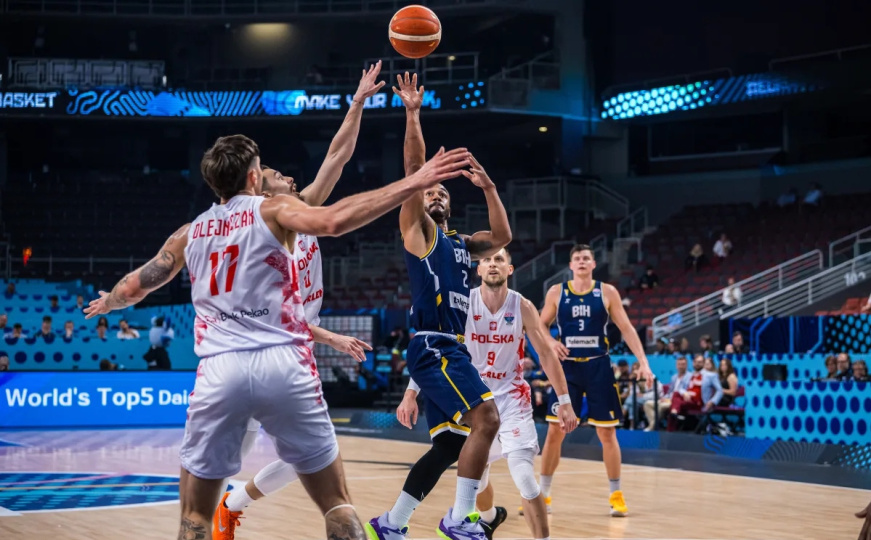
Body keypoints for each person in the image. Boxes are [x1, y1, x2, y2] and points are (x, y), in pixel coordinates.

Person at [83, 126, 472, 538]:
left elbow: (133, 288)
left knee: (194, 518)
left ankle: (225, 511)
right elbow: (336, 220)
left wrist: (109, 302)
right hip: (284, 363)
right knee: (338, 507)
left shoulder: (188, 232)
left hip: (220, 369)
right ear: (253, 177)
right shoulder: (272, 210)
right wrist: (414, 181)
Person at [213, 61, 383, 539]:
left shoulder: (301, 209)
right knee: (238, 450)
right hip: (256, 347)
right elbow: (270, 313)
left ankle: (231, 504)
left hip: (291, 349)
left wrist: (357, 102)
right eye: (274, 174)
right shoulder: (256, 230)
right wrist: (328, 334)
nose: (287, 176)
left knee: (309, 454)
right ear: (257, 191)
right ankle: (218, 506)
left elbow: (337, 157)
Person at [365, 72, 511, 540]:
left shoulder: (463, 243)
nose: (437, 194)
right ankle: (459, 518)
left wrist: (488, 188)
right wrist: (413, 113)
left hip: (450, 349)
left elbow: (504, 238)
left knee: (450, 445)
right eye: (431, 191)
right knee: (487, 419)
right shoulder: (420, 233)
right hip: (435, 347)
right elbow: (413, 172)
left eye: (443, 191)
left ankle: (391, 523)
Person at [395, 249, 577, 540]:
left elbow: (545, 353)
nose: (493, 264)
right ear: (477, 270)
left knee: (525, 479)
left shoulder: (523, 306)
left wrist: (565, 401)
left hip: (512, 398)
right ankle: (490, 518)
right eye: (487, 260)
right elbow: (435, 347)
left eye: (499, 260)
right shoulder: (463, 304)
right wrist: (410, 393)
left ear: (510, 268)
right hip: (474, 401)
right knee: (476, 485)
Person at [537, 244, 654, 517]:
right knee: (555, 432)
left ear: (593, 264)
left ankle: (616, 494)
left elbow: (625, 328)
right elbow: (539, 325)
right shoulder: (557, 292)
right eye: (577, 258)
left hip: (599, 366)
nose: (581, 262)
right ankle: (543, 495)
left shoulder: (607, 292)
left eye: (586, 258)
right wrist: (552, 342)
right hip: (567, 371)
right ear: (570, 265)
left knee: (607, 433)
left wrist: (644, 363)